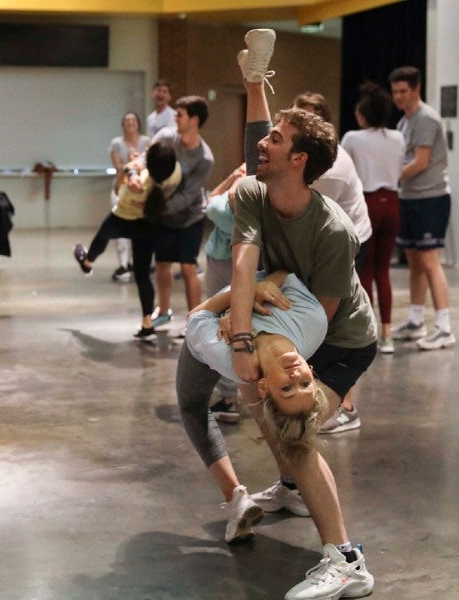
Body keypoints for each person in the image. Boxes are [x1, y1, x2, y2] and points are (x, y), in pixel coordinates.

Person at [232, 29, 377, 600]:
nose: (261, 146)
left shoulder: (333, 232)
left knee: (292, 426)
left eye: (275, 139)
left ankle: (346, 561)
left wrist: (277, 369)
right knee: (263, 402)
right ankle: (292, 485)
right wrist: (242, 337)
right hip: (290, 314)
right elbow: (244, 265)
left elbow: (322, 319)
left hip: (340, 337)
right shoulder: (254, 192)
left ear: (298, 160)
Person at [177, 269, 330, 539]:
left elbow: (194, 319)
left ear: (263, 386)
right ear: (312, 372)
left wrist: (237, 301)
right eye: (305, 384)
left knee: (192, 407)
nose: (295, 376)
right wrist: (259, 287)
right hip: (251, 273)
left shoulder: (224, 354)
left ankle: (235, 497)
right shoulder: (313, 322)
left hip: (207, 343)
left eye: (286, 388)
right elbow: (285, 273)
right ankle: (290, 487)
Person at [291, 91, 371, 435]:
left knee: (336, 326)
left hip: (349, 240)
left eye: (308, 119)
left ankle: (346, 407)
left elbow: (324, 224)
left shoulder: (330, 170)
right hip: (326, 244)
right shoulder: (307, 162)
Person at [72, 141, 182, 339]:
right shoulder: (174, 174)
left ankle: (87, 262)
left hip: (123, 219)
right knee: (141, 274)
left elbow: (117, 191)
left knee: (102, 237)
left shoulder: (138, 184)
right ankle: (147, 322)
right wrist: (135, 168)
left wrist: (129, 172)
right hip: (148, 224)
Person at [131, 95, 214, 333]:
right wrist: (134, 173)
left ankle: (195, 320)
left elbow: (188, 195)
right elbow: (146, 158)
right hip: (164, 216)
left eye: (180, 115)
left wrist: (154, 208)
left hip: (190, 217)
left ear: (194, 120)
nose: (175, 118)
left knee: (188, 267)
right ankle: (163, 311)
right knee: (163, 264)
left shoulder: (204, 158)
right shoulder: (167, 137)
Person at [389, 66, 456, 350]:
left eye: (403, 91)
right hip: (410, 198)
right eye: (394, 92)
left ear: (416, 89)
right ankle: (417, 321)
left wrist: (387, 177)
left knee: (430, 261)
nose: (398, 97)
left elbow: (420, 162)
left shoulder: (426, 119)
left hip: (431, 199)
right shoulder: (404, 123)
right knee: (414, 261)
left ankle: (444, 326)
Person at [341, 82, 406, 354]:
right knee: (383, 271)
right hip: (392, 203)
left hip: (366, 204)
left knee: (364, 271)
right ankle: (389, 332)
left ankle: (368, 333)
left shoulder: (353, 139)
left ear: (363, 114)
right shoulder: (398, 138)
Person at [202, 162, 248, 423]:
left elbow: (211, 200)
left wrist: (232, 178)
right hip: (250, 268)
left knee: (221, 328)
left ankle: (229, 398)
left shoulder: (223, 209)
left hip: (221, 265)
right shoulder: (259, 210)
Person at [108, 112, 151, 283]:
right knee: (120, 226)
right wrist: (130, 163)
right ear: (122, 125)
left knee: (141, 227)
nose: (130, 123)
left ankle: (141, 263)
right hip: (122, 187)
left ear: (138, 123)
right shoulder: (116, 143)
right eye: (127, 120)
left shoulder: (147, 142)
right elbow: (119, 166)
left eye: (133, 120)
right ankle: (123, 264)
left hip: (142, 188)